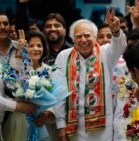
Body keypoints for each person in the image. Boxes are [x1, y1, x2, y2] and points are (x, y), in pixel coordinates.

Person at [54, 7, 127, 141]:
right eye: (78, 36)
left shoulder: (106, 52)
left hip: (103, 127)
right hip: (74, 126)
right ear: (72, 39)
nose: (83, 40)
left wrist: (116, 31)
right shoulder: (64, 56)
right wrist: (61, 126)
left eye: (87, 35)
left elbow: (120, 46)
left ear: (95, 37)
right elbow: (59, 93)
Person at [2, 30, 57, 141]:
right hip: (21, 118)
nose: (36, 49)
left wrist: (48, 113)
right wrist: (19, 51)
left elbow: (55, 95)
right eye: (31, 46)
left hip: (42, 119)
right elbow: (11, 81)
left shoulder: (49, 70)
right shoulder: (19, 65)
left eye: (39, 45)